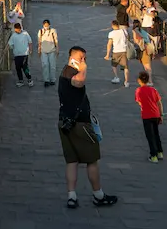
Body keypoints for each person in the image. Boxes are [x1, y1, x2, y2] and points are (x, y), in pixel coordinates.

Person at [58, 46, 119, 210]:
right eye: (81, 58)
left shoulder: (66, 71)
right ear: (72, 58)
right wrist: (83, 68)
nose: (83, 61)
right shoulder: (70, 72)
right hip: (80, 125)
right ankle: (98, 195)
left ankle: (72, 196)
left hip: (66, 122)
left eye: (85, 58)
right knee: (91, 160)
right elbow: (79, 82)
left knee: (72, 161)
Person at [135, 71, 164, 162]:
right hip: (156, 114)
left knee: (150, 136)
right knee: (156, 134)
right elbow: (159, 103)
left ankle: (153, 155)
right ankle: (160, 152)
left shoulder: (138, 91)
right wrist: (161, 114)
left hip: (146, 116)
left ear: (139, 80)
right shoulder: (153, 90)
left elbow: (139, 102)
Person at [104, 20, 131, 87]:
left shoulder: (111, 33)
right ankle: (126, 81)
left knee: (114, 65)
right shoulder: (124, 31)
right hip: (124, 50)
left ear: (112, 25)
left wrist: (107, 54)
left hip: (116, 51)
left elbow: (109, 44)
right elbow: (128, 38)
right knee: (125, 67)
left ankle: (116, 77)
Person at [8, 22, 34, 87]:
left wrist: (30, 50)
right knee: (18, 68)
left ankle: (29, 79)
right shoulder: (13, 35)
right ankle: (21, 80)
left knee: (25, 67)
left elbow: (30, 42)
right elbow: (10, 44)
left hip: (24, 54)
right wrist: (12, 47)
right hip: (17, 55)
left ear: (20, 28)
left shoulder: (25, 33)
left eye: (18, 30)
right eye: (16, 30)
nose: (17, 31)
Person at [38, 19, 59, 87]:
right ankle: (46, 80)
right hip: (43, 51)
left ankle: (53, 79)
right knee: (45, 65)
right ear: (43, 25)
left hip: (52, 50)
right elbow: (39, 41)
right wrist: (39, 50)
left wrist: (57, 49)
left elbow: (56, 40)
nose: (46, 27)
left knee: (52, 66)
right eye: (45, 25)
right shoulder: (40, 31)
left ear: (49, 25)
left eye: (47, 25)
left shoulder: (53, 31)